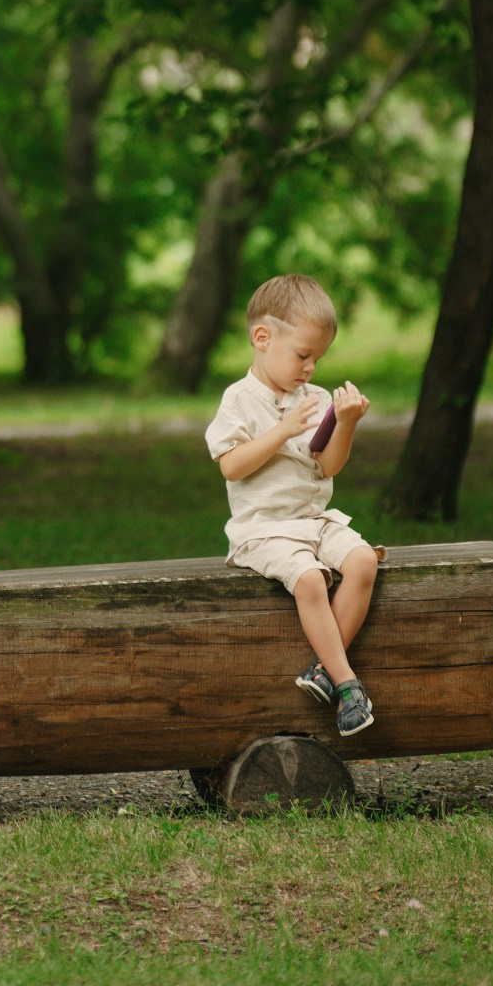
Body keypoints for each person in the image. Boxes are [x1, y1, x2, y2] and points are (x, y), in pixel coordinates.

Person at [204, 274, 383, 736]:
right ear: (262, 338)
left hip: (314, 520)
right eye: (302, 355)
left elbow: (328, 467)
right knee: (309, 579)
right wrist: (281, 432)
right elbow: (232, 467)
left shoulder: (317, 398)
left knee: (364, 560)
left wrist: (345, 423)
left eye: (317, 359)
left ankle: (323, 671)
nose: (310, 368)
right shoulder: (239, 401)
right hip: (264, 530)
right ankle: (346, 684)